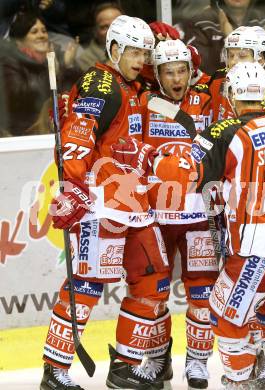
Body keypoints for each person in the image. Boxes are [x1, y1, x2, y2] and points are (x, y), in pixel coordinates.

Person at [112, 61, 265, 389]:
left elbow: (184, 176)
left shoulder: (226, 133)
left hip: (256, 251)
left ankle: (238, 383)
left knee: (224, 315)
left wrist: (149, 158)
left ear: (233, 95)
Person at [39, 15, 171, 390]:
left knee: (153, 280)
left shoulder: (132, 85)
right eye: (133, 51)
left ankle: (125, 365)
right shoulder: (100, 83)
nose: (139, 59)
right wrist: (74, 187)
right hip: (101, 204)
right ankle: (55, 368)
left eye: (144, 53)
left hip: (134, 203)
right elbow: (77, 137)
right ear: (113, 49)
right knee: (87, 285)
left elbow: (158, 110)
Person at [139, 39, 216, 389]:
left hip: (199, 214)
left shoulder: (208, 99)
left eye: (181, 70)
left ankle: (198, 362)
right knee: (152, 291)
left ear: (191, 70)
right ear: (156, 73)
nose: (176, 78)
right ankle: (157, 358)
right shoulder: (144, 104)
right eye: (168, 71)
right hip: (156, 214)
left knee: (202, 290)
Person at [0, 10, 80, 136]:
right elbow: (21, 97)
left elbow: (76, 94)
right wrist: (51, 70)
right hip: (25, 135)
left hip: (61, 130)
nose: (42, 35)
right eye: (34, 32)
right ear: (19, 40)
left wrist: (68, 66)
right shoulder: (10, 63)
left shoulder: (57, 58)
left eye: (44, 31)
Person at [178, 0, 265, 77]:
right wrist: (263, 43)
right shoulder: (201, 22)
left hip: (262, 100)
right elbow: (199, 71)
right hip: (217, 100)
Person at [208, 25, 265, 122]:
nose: (232, 62)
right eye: (231, 55)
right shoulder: (218, 78)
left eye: (242, 56)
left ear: (260, 59)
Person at [75, 2, 123, 72]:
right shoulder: (85, 60)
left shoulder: (138, 49)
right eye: (104, 27)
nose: (112, 30)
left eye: (117, 24)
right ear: (95, 31)